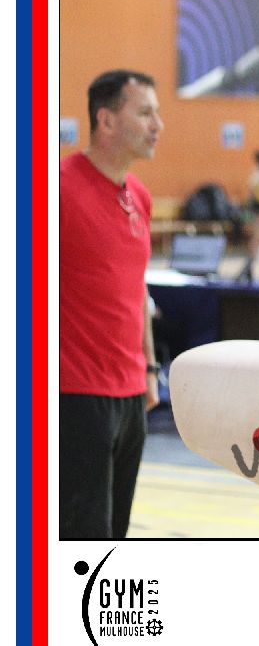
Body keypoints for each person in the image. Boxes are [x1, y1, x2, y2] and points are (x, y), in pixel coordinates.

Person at [60, 69, 164, 538]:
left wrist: (149, 368)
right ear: (105, 120)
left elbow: (136, 287)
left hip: (130, 396)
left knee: (115, 537)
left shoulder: (138, 196)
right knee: (81, 539)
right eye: (145, 113)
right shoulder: (56, 189)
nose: (158, 125)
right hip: (73, 396)